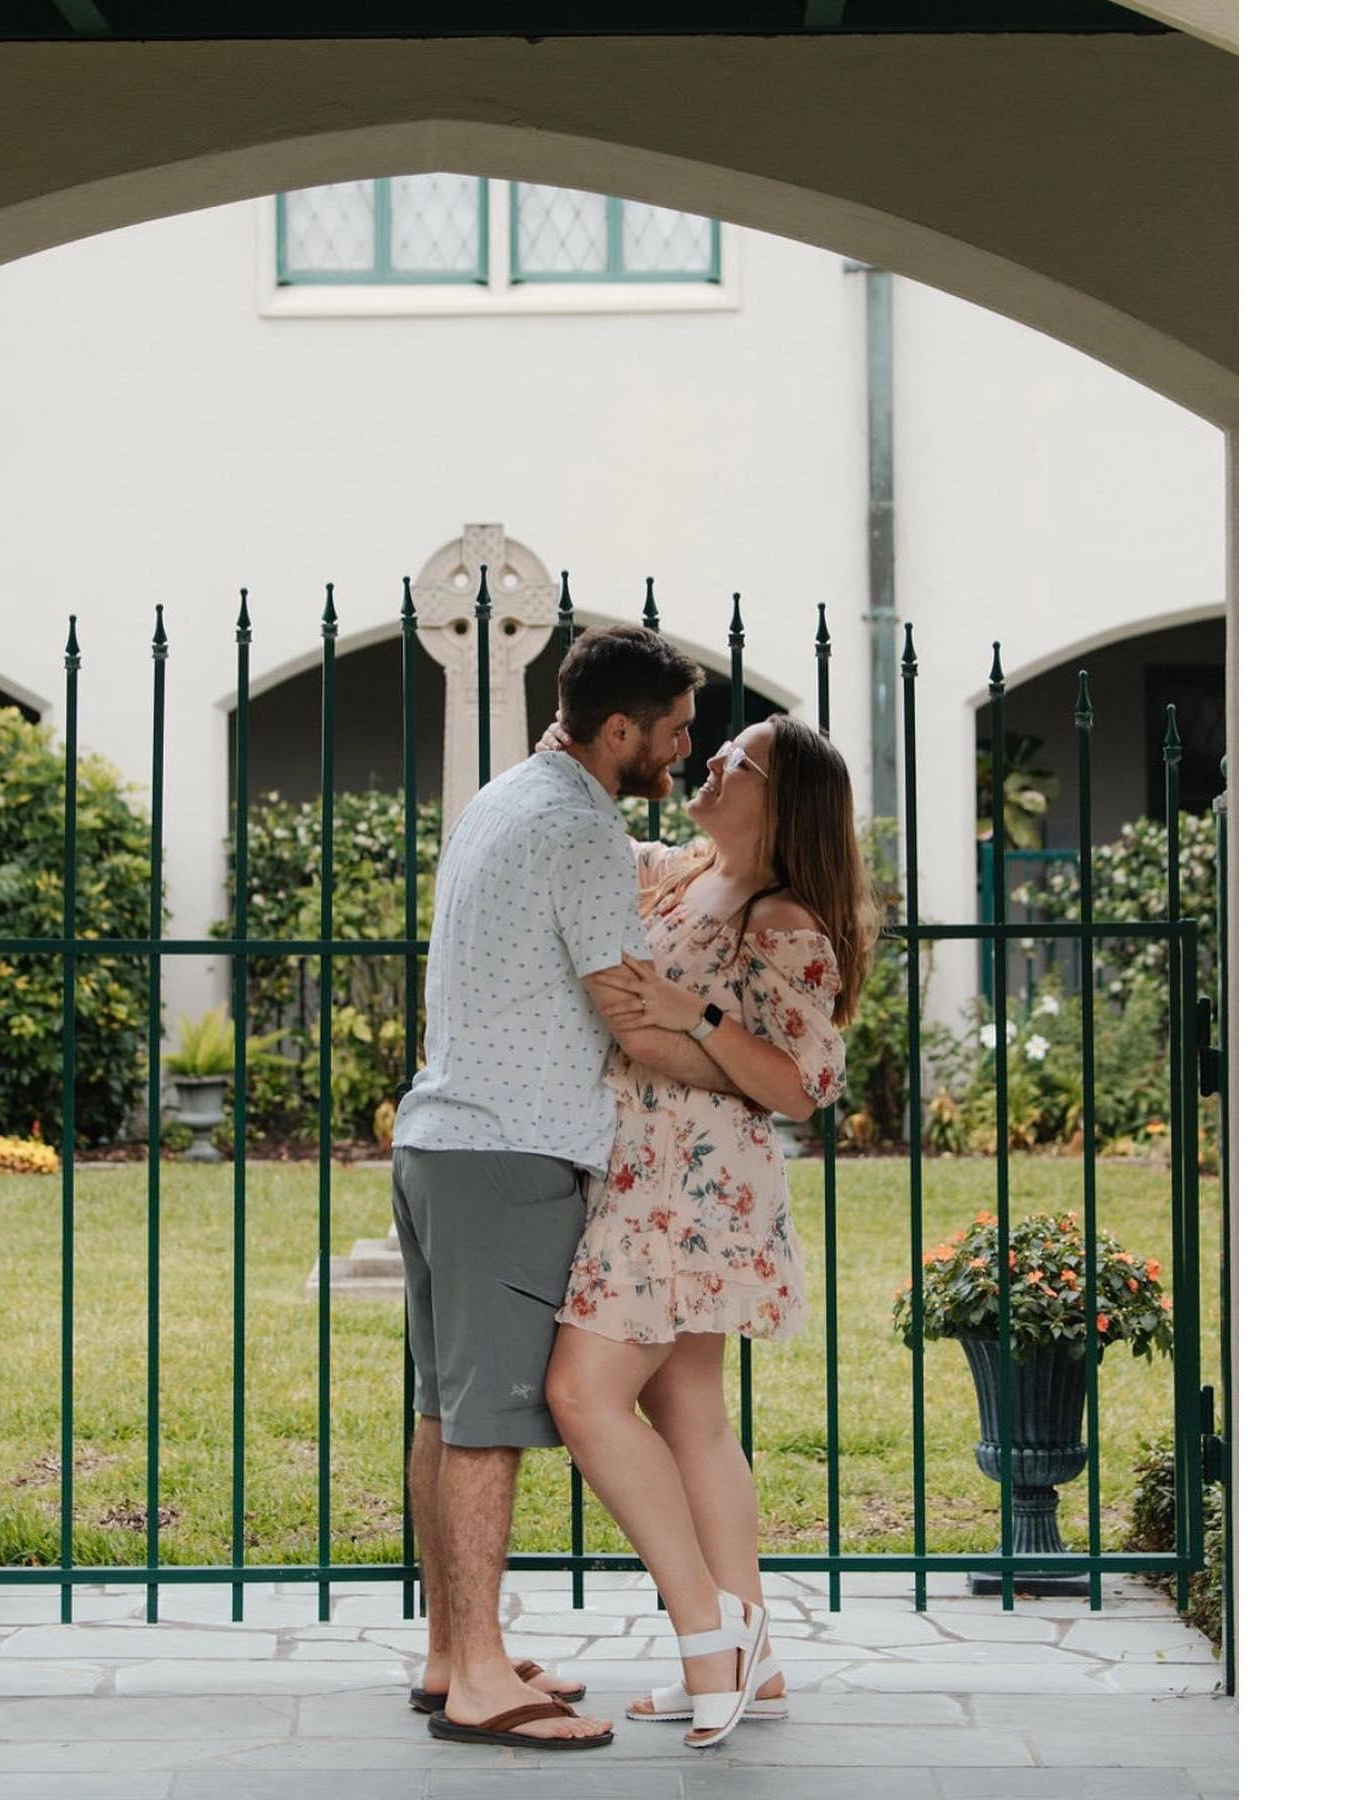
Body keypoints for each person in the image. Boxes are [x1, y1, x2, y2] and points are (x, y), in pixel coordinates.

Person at [390, 623, 705, 1750]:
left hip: (441, 1142)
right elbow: (630, 1012)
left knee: (445, 1409)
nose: (682, 752)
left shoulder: (507, 796)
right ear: (617, 731)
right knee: (488, 1424)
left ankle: (450, 1652)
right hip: (510, 1157)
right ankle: (477, 1677)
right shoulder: (578, 828)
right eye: (672, 732)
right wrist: (751, 1072)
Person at [540, 710, 880, 1750]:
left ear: (783, 806)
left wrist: (698, 1021)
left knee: (582, 1395)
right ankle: (756, 1661)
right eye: (721, 747)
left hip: (689, 1191)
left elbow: (801, 1084)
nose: (716, 762)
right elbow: (595, 840)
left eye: (742, 763)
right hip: (645, 1167)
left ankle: (713, 1644)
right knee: (690, 1409)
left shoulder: (783, 920)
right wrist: (568, 743)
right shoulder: (690, 874)